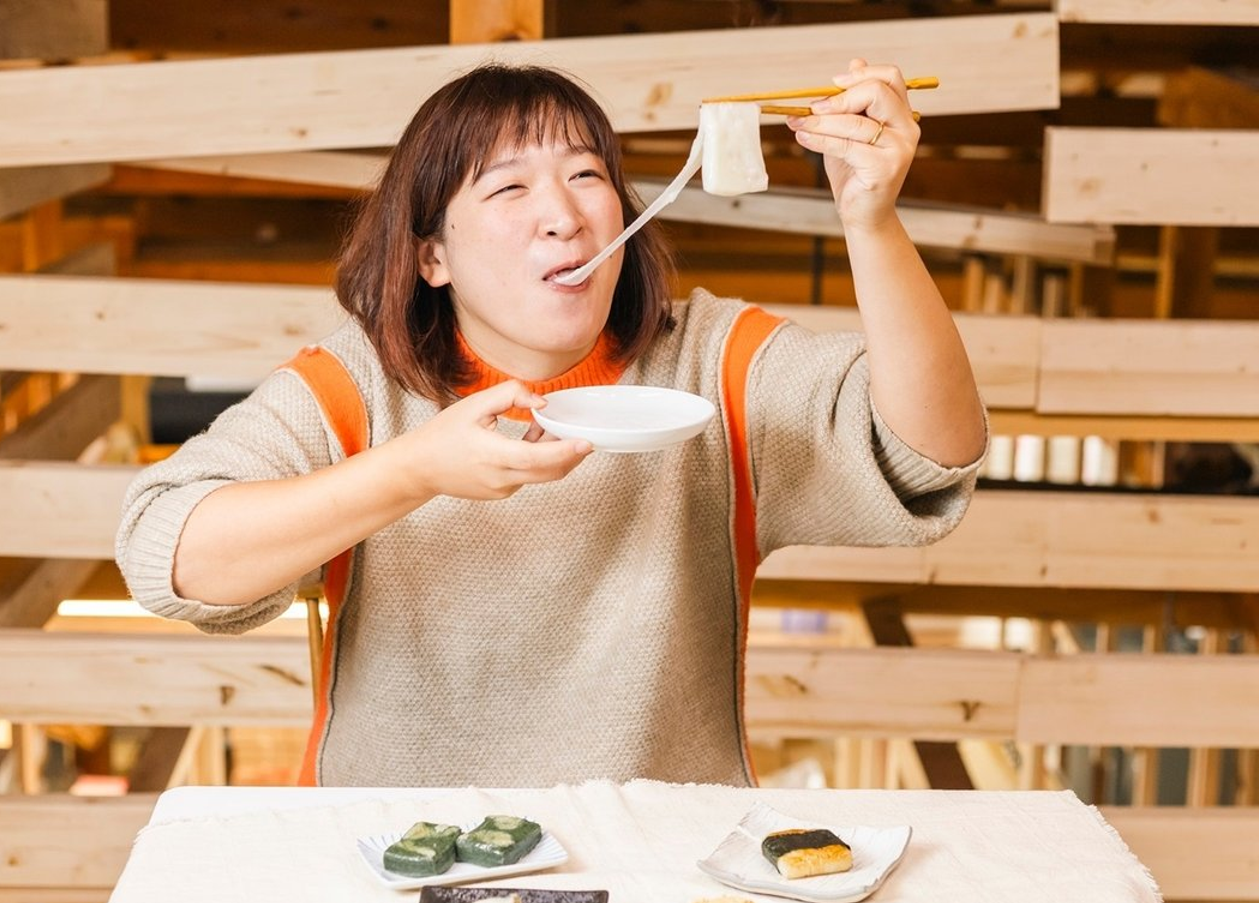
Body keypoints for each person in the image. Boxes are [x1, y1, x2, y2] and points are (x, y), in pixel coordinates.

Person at [115, 58, 988, 789]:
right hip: (403, 860)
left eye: (586, 176)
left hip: (664, 861)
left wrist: (871, 221)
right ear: (432, 256)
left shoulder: (713, 363)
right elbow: (167, 554)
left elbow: (928, 453)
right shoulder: (356, 387)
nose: (564, 216)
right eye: (508, 187)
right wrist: (413, 471)